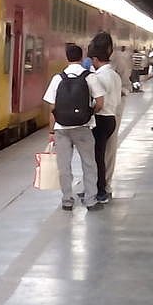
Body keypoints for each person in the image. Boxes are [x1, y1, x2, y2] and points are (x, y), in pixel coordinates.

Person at [43, 43, 102, 211]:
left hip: (61, 129)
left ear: (66, 58)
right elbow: (100, 102)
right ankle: (90, 200)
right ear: (82, 57)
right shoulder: (90, 77)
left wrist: (51, 131)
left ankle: (67, 200)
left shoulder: (57, 78)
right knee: (89, 164)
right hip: (83, 127)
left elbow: (51, 108)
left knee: (64, 166)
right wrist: (89, 113)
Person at [88, 36, 123, 203]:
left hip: (100, 119)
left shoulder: (98, 77)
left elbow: (98, 102)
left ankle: (100, 190)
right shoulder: (114, 75)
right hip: (111, 118)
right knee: (102, 155)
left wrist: (89, 111)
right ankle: (100, 187)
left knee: (97, 157)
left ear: (95, 59)